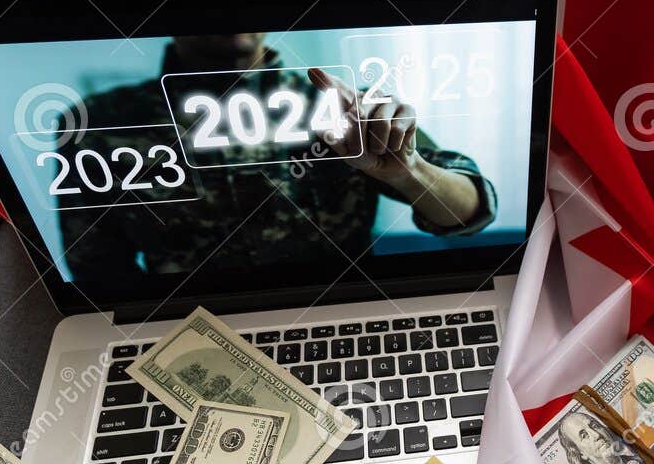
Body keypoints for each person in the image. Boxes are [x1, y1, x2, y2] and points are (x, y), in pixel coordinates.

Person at [55, 34, 497, 282]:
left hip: (346, 317)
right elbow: (97, 272)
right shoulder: (96, 124)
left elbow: (472, 210)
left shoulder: (343, 108)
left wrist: (409, 171)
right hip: (186, 331)